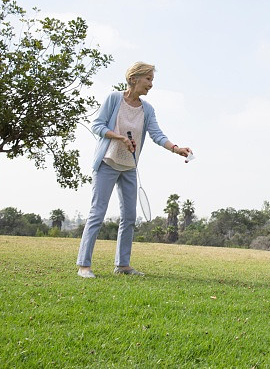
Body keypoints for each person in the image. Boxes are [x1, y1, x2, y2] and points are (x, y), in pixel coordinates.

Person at [77, 62, 192, 278]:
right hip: (107, 163)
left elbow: (157, 134)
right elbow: (97, 125)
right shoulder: (114, 99)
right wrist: (119, 137)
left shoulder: (147, 109)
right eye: (148, 79)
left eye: (151, 80)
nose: (151, 84)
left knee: (129, 216)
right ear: (134, 79)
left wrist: (176, 149)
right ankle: (84, 265)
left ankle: (122, 265)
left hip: (129, 167)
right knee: (97, 213)